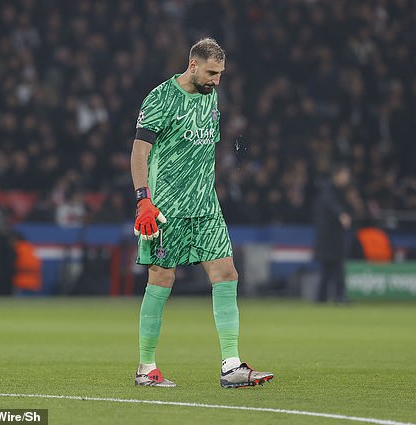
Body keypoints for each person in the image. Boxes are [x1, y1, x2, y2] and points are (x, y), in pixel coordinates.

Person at [130, 38, 273, 388]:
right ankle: (146, 368)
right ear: (193, 65)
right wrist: (142, 200)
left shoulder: (212, 97)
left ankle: (231, 366)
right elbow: (138, 154)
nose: (217, 81)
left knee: (227, 273)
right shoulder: (161, 98)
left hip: (206, 206)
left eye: (221, 74)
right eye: (211, 73)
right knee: (161, 279)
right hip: (168, 208)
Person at [313, 164, 352, 303]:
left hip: (333, 238)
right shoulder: (329, 190)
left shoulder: (340, 191)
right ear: (337, 176)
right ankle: (337, 296)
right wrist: (341, 214)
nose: (347, 178)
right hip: (328, 238)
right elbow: (332, 204)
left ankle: (323, 297)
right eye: (345, 175)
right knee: (333, 269)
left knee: (330, 270)